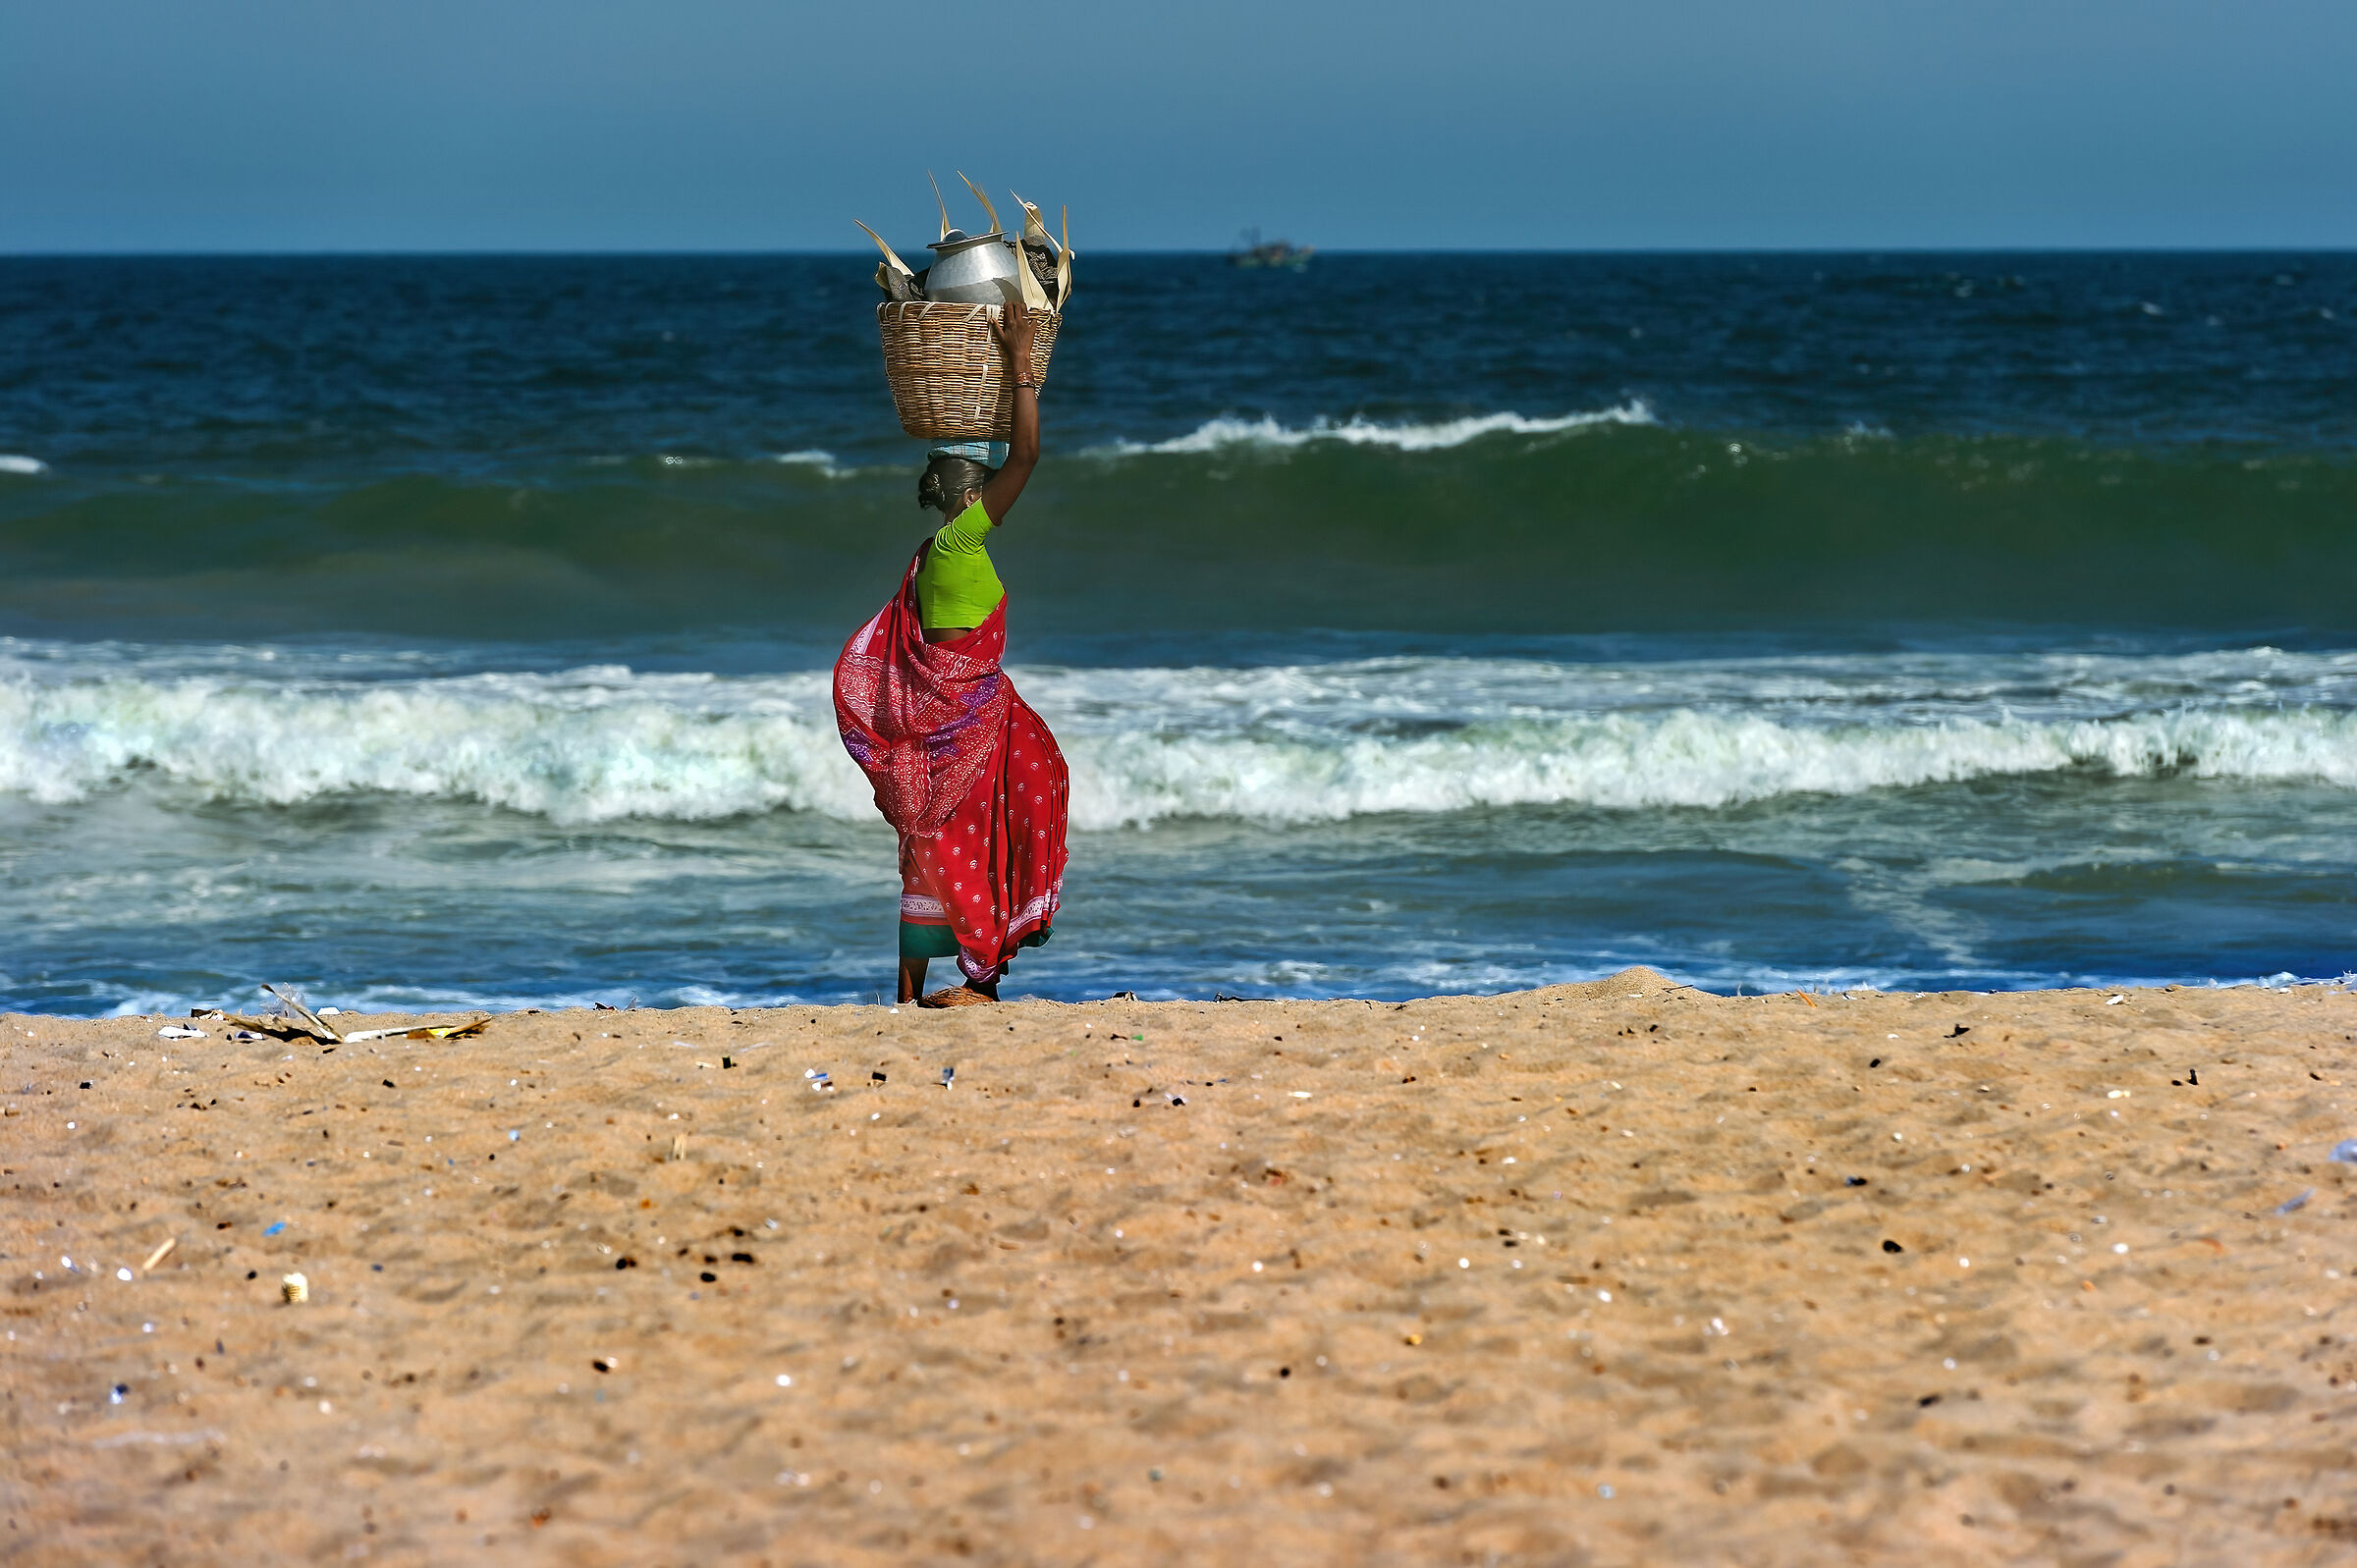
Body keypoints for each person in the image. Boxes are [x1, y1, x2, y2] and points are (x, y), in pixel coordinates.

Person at [832, 297, 1070, 1007]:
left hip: (945, 731)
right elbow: (1026, 453)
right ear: (969, 493)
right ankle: (980, 982)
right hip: (966, 728)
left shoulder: (930, 552)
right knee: (980, 845)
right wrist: (1022, 361)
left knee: (931, 855)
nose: (999, 479)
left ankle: (909, 994)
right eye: (985, 475)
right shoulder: (963, 537)